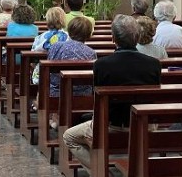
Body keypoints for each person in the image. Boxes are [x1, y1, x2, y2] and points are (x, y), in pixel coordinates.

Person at [62, 15, 161, 175]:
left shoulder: (102, 65)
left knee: (69, 137)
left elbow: (97, 98)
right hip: (145, 125)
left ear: (113, 38)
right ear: (137, 37)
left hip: (112, 126)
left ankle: (102, 171)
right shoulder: (154, 64)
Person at [47, 16, 97, 129]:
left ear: (69, 31)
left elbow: (50, 72)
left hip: (57, 94)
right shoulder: (91, 52)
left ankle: (56, 118)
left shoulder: (56, 47)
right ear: (89, 34)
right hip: (83, 96)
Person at [31, 7, 69, 85]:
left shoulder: (41, 37)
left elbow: (33, 55)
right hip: (66, 72)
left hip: (44, 72)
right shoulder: (69, 37)